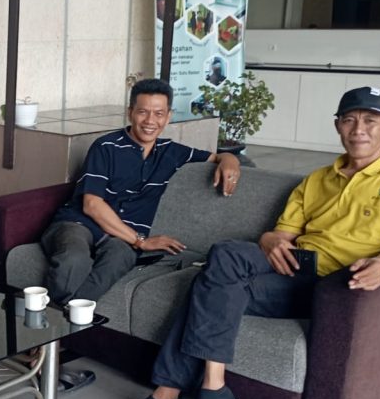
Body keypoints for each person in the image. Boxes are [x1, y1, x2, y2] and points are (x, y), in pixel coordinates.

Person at [108, 86, 380, 399]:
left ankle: (171, 397)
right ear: (337, 125)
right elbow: (282, 233)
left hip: (332, 284)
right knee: (223, 258)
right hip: (294, 265)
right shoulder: (318, 179)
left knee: (206, 284)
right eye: (349, 120)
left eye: (370, 121)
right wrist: (271, 241)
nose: (359, 129)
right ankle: (210, 391)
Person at [41, 78, 242, 307]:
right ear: (130, 113)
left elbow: (218, 156)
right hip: (78, 223)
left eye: (159, 114)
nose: (150, 121)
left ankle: (66, 316)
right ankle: (58, 320)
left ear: (168, 116)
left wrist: (231, 160)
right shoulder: (106, 146)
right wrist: (140, 241)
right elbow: (92, 205)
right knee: (74, 259)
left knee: (119, 259)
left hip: (120, 238)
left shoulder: (172, 152)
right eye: (143, 112)